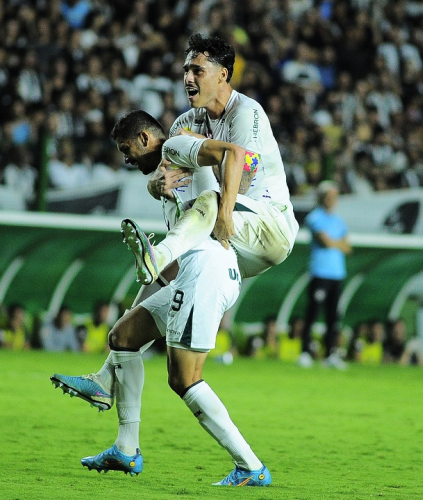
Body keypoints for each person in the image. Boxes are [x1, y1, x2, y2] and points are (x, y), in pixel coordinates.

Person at [49, 114, 271, 487]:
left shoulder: (177, 144)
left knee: (184, 378)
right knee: (123, 337)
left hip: (209, 268)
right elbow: (167, 270)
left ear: (144, 137)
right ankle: (125, 447)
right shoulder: (167, 184)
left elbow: (242, 157)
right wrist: (159, 187)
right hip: (191, 271)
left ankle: (250, 466)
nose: (126, 159)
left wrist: (228, 197)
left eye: (127, 150)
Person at [119, 33, 299, 284]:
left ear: (223, 75)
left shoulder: (246, 114)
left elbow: (242, 183)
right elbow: (168, 176)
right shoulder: (184, 122)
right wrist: (155, 185)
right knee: (144, 312)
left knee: (207, 197)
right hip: (226, 233)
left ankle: (162, 254)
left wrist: (198, 142)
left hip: (269, 226)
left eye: (197, 71)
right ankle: (165, 264)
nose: (187, 79)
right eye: (186, 71)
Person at [298, 181, 352, 369]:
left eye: (335, 197)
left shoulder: (338, 220)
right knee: (313, 313)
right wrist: (337, 243)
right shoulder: (315, 217)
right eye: (329, 196)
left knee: (333, 316)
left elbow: (348, 247)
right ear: (322, 197)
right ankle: (305, 352)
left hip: (337, 274)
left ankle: (330, 354)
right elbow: (327, 242)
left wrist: (334, 243)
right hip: (320, 272)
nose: (333, 200)